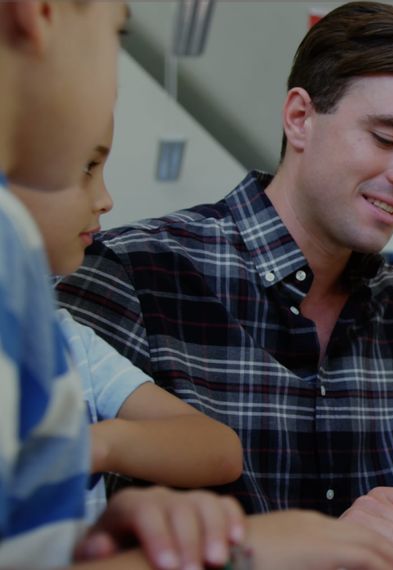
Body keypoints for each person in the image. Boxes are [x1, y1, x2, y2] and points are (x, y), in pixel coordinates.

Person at [0, 2, 393, 569]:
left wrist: (91, 542)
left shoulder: (36, 304)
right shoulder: (114, 268)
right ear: (40, 13)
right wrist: (244, 556)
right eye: (116, 30)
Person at [10, 117, 244, 524]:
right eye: (86, 168)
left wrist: (97, 445)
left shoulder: (69, 341)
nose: (105, 200)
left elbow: (220, 449)